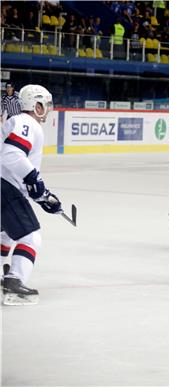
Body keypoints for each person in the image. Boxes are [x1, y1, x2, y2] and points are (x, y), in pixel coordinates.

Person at [1, 85, 61, 305]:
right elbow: (12, 156)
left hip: (5, 185)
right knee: (31, 236)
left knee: (5, 234)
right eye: (45, 104)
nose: (48, 109)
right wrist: (34, 179)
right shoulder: (27, 123)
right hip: (5, 187)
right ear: (36, 106)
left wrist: (43, 197)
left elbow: (18, 168)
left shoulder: (18, 122)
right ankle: (15, 282)